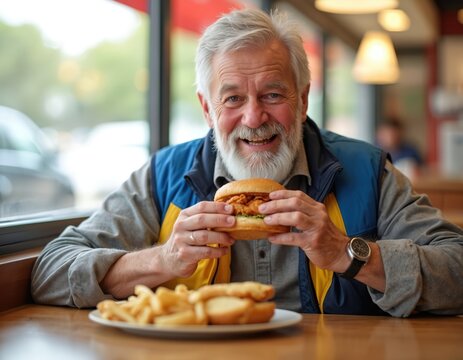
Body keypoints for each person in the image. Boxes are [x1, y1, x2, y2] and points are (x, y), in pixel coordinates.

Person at [31, 8, 463, 317]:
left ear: (304, 98)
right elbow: (51, 270)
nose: (254, 118)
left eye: (273, 94)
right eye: (233, 98)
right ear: (207, 108)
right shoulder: (164, 176)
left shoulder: (366, 171)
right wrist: (162, 260)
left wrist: (348, 254)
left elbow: (457, 267)